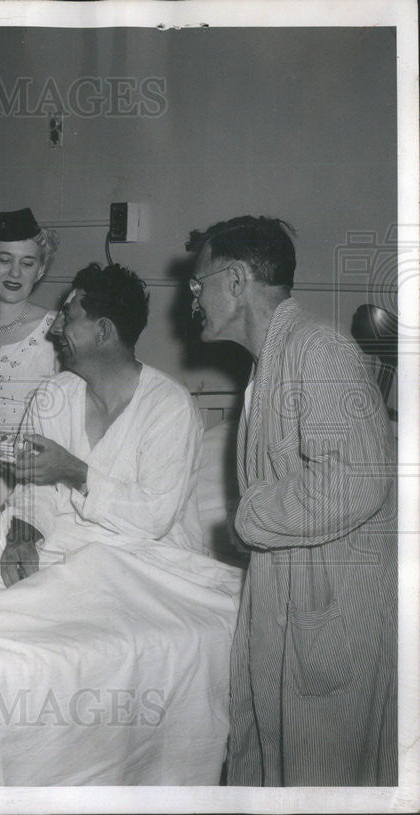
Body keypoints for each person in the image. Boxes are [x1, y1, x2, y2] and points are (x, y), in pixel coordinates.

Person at [187, 216, 396, 786]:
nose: (193, 300)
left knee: (322, 780)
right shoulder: (271, 364)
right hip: (290, 611)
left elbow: (357, 480)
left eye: (197, 284)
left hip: (333, 624)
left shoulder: (319, 349)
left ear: (234, 282)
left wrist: (248, 518)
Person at [0, 262, 205, 586]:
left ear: (103, 331)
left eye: (68, 316)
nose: (54, 329)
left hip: (146, 563)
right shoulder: (53, 394)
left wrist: (74, 472)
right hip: (61, 548)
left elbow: (154, 519)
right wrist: (22, 538)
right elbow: (33, 490)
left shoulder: (170, 407)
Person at [0, 207, 60, 430]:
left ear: (40, 270)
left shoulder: (58, 330)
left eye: (27, 263)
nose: (15, 273)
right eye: (5, 260)